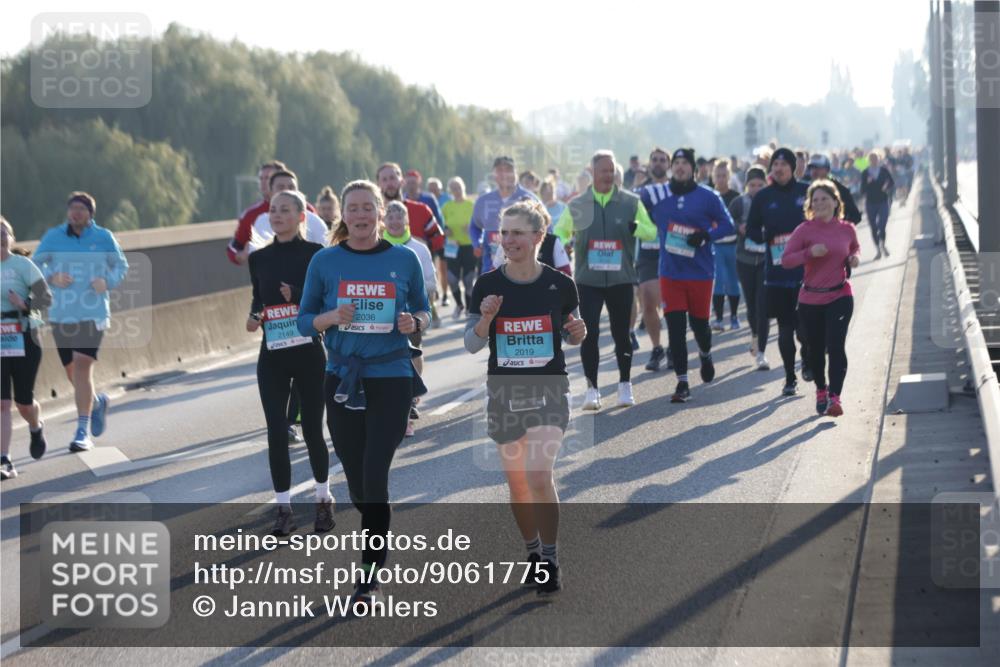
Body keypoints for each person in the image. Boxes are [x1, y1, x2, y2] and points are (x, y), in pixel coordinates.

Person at [297, 180, 430, 611]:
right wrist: (331, 317)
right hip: (341, 378)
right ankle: (374, 521)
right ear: (344, 215)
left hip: (391, 376)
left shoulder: (404, 259)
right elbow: (303, 321)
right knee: (357, 483)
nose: (360, 215)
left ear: (380, 213)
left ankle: (368, 578)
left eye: (367, 208)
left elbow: (423, 309)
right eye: (352, 208)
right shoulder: (325, 261)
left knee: (375, 479)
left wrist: (414, 322)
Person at [465, 199, 586, 597]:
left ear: (538, 237)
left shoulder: (560, 284)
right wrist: (486, 318)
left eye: (517, 233)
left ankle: (550, 559)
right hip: (505, 392)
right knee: (518, 484)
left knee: (538, 475)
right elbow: (471, 345)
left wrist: (578, 333)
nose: (509, 240)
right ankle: (532, 552)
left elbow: (569, 331)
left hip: (549, 389)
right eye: (504, 232)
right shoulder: (487, 285)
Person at [246, 190, 332, 535]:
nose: (277, 215)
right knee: (276, 431)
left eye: (285, 210)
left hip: (308, 352)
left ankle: (323, 499)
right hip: (273, 354)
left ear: (301, 217)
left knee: (312, 430)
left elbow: (326, 301)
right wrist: (255, 316)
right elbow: (258, 299)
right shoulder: (259, 258)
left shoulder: (316, 255)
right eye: (273, 210)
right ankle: (284, 509)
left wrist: (296, 295)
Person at [554, 150, 657, 410]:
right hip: (588, 280)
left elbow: (651, 232)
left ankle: (625, 385)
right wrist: (565, 242)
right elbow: (559, 232)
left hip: (621, 278)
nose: (608, 175)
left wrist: (637, 228)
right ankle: (592, 390)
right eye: (603, 171)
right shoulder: (578, 205)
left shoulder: (630, 202)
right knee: (589, 334)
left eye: (612, 171)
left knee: (622, 334)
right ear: (593, 172)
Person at [34, 192, 129, 451]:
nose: (76, 213)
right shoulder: (53, 237)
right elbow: (35, 264)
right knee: (71, 371)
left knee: (81, 366)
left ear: (90, 213)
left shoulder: (103, 237)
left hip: (93, 312)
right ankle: (96, 402)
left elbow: (121, 266)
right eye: (72, 208)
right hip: (61, 313)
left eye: (81, 209)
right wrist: (51, 277)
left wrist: (107, 282)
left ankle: (81, 432)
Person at [640, 148, 735, 403]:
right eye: (677, 163)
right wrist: (634, 227)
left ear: (693, 168)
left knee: (700, 326)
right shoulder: (658, 195)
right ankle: (682, 382)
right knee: (676, 329)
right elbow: (633, 207)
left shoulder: (708, 196)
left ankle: (705, 353)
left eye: (685, 163)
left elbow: (728, 225)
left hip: (701, 272)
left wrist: (706, 236)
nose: (680, 167)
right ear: (672, 167)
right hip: (670, 273)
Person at [781, 180, 860, 417]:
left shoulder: (847, 229)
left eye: (825, 198)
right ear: (810, 205)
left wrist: (854, 258)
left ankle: (835, 398)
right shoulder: (804, 230)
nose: (820, 203)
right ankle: (821, 390)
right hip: (810, 299)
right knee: (815, 349)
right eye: (815, 200)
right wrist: (809, 253)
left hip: (840, 295)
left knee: (836, 346)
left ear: (836, 202)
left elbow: (854, 247)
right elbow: (786, 261)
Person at [746, 148, 812, 396]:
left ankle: (807, 356)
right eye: (775, 164)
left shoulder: (806, 191)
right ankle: (789, 377)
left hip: (807, 274)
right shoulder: (763, 197)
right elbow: (751, 229)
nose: (779, 168)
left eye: (784, 164)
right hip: (777, 274)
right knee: (784, 328)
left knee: (804, 329)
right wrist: (764, 235)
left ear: (793, 167)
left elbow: (822, 220)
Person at [1, 217, 52, 479]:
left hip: (24, 336)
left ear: (11, 238)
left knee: (23, 403)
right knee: (2, 403)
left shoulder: (22, 265)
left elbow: (45, 298)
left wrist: (24, 305)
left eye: (4, 233)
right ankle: (4, 460)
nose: (0, 237)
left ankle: (35, 426)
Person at [383, 201, 438, 436]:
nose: (395, 222)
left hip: (411, 314)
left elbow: (431, 282)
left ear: (406, 220)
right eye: (390, 217)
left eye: (399, 217)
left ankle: (412, 396)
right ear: (383, 221)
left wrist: (414, 294)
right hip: (384, 315)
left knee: (413, 353)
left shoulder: (419, 248)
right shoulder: (377, 247)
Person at [635, 147, 672, 372]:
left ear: (668, 164)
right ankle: (657, 348)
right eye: (655, 160)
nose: (658, 163)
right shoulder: (640, 192)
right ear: (649, 164)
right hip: (648, 253)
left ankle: (674, 347)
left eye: (662, 160)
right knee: (648, 301)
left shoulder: (676, 190)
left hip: (674, 251)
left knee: (673, 304)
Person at [470, 156, 538, 275]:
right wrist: (477, 243)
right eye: (500, 170)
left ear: (516, 172)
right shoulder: (483, 201)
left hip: (523, 273)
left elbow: (546, 230)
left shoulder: (530, 199)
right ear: (494, 175)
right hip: (490, 270)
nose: (504, 174)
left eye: (508, 170)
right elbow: (474, 226)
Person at [730, 166, 770, 368]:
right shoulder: (739, 203)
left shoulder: (771, 201)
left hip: (766, 260)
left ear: (766, 184)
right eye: (752, 185)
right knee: (752, 305)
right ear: (746, 185)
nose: (755, 189)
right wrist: (739, 228)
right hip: (744, 259)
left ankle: (761, 352)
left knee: (763, 306)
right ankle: (755, 333)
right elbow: (726, 221)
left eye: (760, 185)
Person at [249, 170, 329, 249]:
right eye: (281, 187)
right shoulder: (261, 221)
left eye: (291, 187)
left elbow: (325, 252)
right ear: (270, 191)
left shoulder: (315, 222)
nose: (287, 191)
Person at [228, 160, 287, 265]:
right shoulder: (251, 214)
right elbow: (234, 246)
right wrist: (240, 255)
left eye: (267, 178)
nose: (263, 182)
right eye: (261, 178)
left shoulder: (306, 210)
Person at [711, 159, 742, 332]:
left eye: (724, 176)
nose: (721, 179)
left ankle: (734, 317)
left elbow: (739, 219)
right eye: (718, 176)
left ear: (729, 177)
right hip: (716, 245)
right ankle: (718, 318)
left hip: (733, 245)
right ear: (713, 177)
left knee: (732, 281)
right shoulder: (710, 196)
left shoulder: (736, 197)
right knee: (718, 281)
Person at [441, 177, 477, 318]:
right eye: (453, 188)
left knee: (468, 279)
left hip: (469, 245)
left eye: (458, 187)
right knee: (452, 279)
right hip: (452, 246)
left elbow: (479, 224)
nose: (456, 190)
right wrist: (445, 230)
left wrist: (471, 228)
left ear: (463, 188)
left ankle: (469, 308)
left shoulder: (471, 205)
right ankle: (459, 305)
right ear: (450, 191)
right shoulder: (447, 207)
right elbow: (441, 224)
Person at [806, 154, 861, 225]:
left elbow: (855, 216)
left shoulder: (840, 189)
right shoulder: (806, 189)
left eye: (818, 168)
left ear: (827, 170)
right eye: (811, 168)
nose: (814, 171)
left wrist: (839, 227)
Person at [860, 151, 895, 259]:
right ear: (869, 160)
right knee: (873, 227)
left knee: (882, 225)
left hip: (883, 201)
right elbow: (862, 190)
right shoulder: (865, 172)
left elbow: (891, 182)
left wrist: (886, 186)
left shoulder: (884, 170)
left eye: (876, 159)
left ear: (879, 159)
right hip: (871, 203)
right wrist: (868, 182)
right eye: (872, 159)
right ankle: (878, 250)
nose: (874, 161)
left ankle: (883, 245)